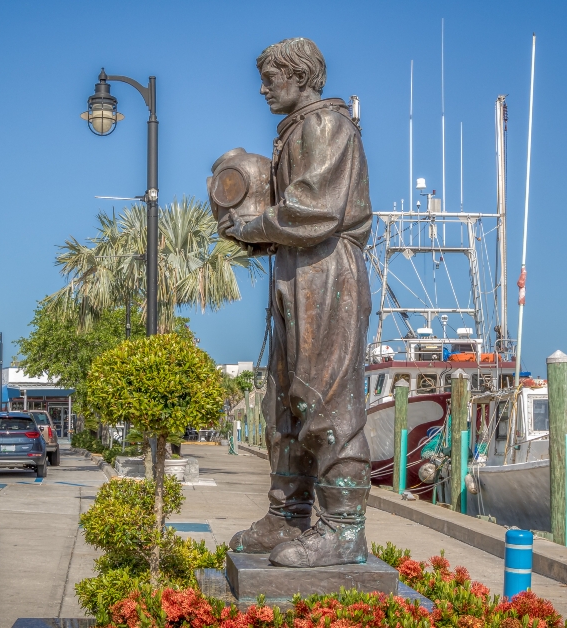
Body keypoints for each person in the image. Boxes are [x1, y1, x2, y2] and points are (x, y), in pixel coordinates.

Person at [220, 37, 373, 568]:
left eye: (272, 77)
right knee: (284, 400)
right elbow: (292, 219)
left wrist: (255, 225)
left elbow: (316, 212)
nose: (263, 88)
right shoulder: (296, 131)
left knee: (324, 396)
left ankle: (344, 529)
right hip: (296, 269)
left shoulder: (328, 125)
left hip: (328, 270)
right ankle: (288, 514)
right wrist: (249, 231)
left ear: (301, 76)